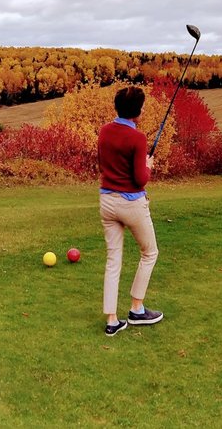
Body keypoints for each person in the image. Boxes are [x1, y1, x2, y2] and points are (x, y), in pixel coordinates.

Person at [97, 86, 164, 336]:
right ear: (137, 111)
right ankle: (137, 309)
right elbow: (140, 179)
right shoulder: (138, 138)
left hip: (107, 202)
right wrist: (147, 165)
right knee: (150, 252)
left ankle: (112, 320)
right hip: (131, 204)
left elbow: (102, 163)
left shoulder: (104, 131)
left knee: (113, 260)